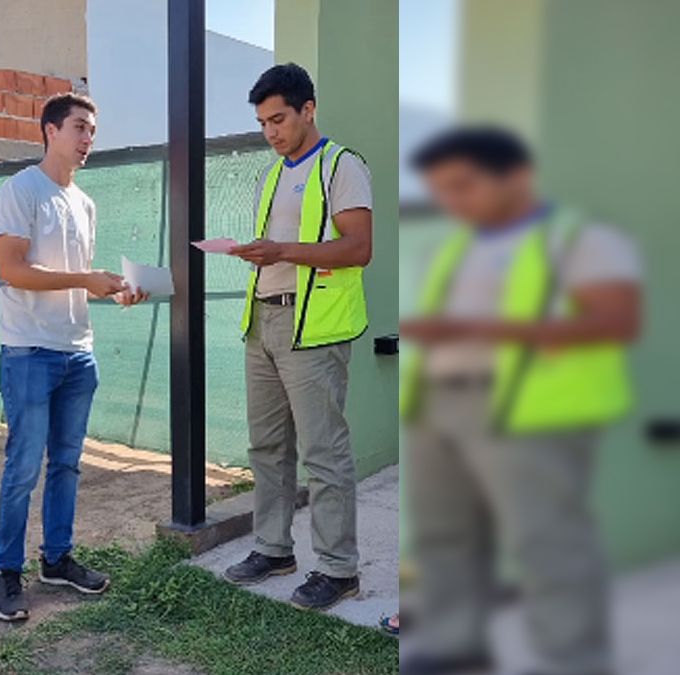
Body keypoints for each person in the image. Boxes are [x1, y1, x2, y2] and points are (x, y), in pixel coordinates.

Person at [400, 127, 639, 675]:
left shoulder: (580, 239)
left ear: (518, 176)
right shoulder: (455, 245)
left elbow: (618, 321)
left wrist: (478, 329)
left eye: (464, 185)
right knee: (443, 530)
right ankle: (455, 639)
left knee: (547, 538)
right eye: (442, 190)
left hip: (529, 408)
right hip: (438, 401)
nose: (452, 201)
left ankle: (574, 658)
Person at [0, 92, 148, 622]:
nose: (88, 139)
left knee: (67, 465)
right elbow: (12, 270)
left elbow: (76, 281)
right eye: (79, 127)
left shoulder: (85, 203)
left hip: (77, 351)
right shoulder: (21, 190)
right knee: (23, 467)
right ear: (50, 131)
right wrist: (85, 278)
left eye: (92, 131)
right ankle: (7, 572)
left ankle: (57, 560)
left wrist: (116, 291)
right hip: (28, 351)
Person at [222, 63, 373, 612]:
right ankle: (272, 549)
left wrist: (281, 251)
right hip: (262, 322)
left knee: (323, 452)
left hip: (314, 328)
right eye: (263, 123)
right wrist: (257, 252)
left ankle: (338, 569)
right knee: (267, 447)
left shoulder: (342, 166)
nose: (271, 132)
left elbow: (358, 247)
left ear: (308, 110)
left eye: (279, 119)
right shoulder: (271, 175)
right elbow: (279, 246)